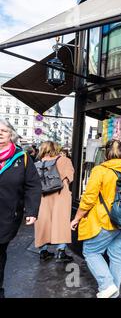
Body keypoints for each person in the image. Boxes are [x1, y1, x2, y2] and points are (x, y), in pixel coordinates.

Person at [71, 139, 121, 298]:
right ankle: (113, 291)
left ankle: (107, 285)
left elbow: (88, 198)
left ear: (106, 152)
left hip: (105, 220)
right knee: (118, 253)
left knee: (91, 252)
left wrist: (76, 218)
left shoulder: (100, 170)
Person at [0, 118, 41, 298]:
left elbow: (33, 185)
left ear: (11, 135)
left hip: (7, 216)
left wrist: (32, 210)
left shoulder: (22, 157)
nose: (0, 134)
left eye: (3, 131)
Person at [34, 141, 74, 263]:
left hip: (42, 196)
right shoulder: (64, 160)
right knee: (61, 221)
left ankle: (43, 251)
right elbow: (70, 177)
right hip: (61, 194)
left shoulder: (37, 164)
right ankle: (61, 251)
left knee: (42, 222)